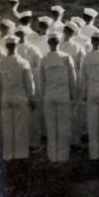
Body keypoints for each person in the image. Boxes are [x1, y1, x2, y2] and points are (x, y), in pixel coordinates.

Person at [38, 34, 77, 162]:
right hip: (63, 94)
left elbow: (41, 81)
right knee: (63, 126)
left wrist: (43, 95)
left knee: (51, 127)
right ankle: (63, 156)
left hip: (49, 95)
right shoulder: (66, 57)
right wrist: (73, 94)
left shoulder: (44, 59)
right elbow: (72, 78)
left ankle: (52, 156)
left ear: (49, 44)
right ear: (58, 43)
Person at [0, 36, 36, 161]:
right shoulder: (23, 62)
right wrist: (31, 98)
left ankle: (8, 155)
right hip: (19, 97)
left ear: (6, 46)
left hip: (5, 97)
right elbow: (29, 83)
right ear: (16, 46)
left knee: (7, 128)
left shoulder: (0, 63)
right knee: (20, 127)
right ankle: (20, 155)